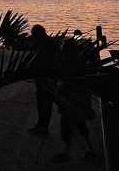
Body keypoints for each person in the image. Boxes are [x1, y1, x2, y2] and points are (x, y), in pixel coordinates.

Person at [51, 30, 96, 163]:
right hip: (79, 100)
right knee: (79, 124)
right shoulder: (80, 62)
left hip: (72, 101)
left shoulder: (69, 64)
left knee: (67, 124)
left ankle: (66, 152)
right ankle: (89, 149)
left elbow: (64, 83)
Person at [27, 24, 58, 135]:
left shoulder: (47, 44)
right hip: (46, 77)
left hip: (47, 78)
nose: (33, 36)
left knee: (44, 103)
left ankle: (42, 126)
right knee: (43, 103)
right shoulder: (46, 42)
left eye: (34, 34)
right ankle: (41, 126)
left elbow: (42, 61)